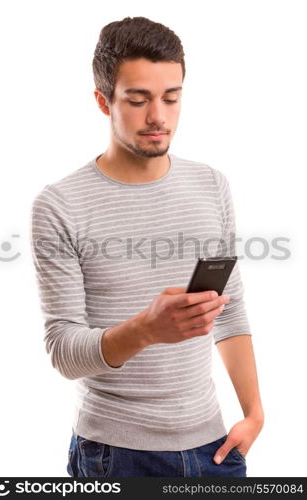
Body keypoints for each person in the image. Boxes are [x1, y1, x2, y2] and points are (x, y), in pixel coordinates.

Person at [30, 16, 264, 478]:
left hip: (216, 448)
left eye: (171, 98)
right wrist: (146, 330)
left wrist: (254, 413)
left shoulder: (211, 184)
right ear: (104, 102)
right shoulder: (60, 205)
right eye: (138, 100)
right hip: (116, 456)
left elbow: (229, 310)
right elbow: (62, 350)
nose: (158, 116)